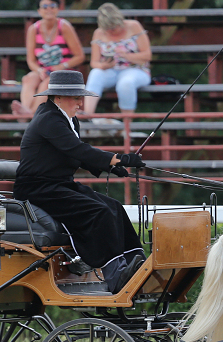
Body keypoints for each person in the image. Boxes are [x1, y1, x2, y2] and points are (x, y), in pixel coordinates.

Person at [13, 70, 146, 294]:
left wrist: (111, 166)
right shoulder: (48, 119)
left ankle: (136, 261)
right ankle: (114, 275)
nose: (80, 103)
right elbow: (77, 149)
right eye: (76, 97)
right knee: (98, 212)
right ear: (58, 97)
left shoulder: (69, 120)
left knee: (114, 207)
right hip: (37, 189)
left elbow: (74, 155)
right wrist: (117, 157)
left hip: (59, 184)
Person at [12, 0, 86, 118]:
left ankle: (29, 114)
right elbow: (30, 60)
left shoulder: (65, 27)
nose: (49, 9)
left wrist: (62, 66)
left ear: (58, 9)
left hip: (64, 70)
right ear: (39, 10)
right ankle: (26, 109)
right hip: (43, 70)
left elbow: (80, 56)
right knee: (28, 78)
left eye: (52, 6)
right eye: (45, 7)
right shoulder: (33, 30)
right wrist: (39, 70)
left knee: (47, 83)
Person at [83, 3, 152, 116]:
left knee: (125, 83)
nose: (111, 31)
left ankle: (127, 123)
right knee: (95, 73)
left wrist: (127, 56)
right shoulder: (98, 33)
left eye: (113, 27)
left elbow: (147, 56)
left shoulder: (134, 26)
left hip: (136, 69)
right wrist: (103, 65)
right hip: (110, 70)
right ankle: (87, 114)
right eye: (107, 29)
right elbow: (94, 62)